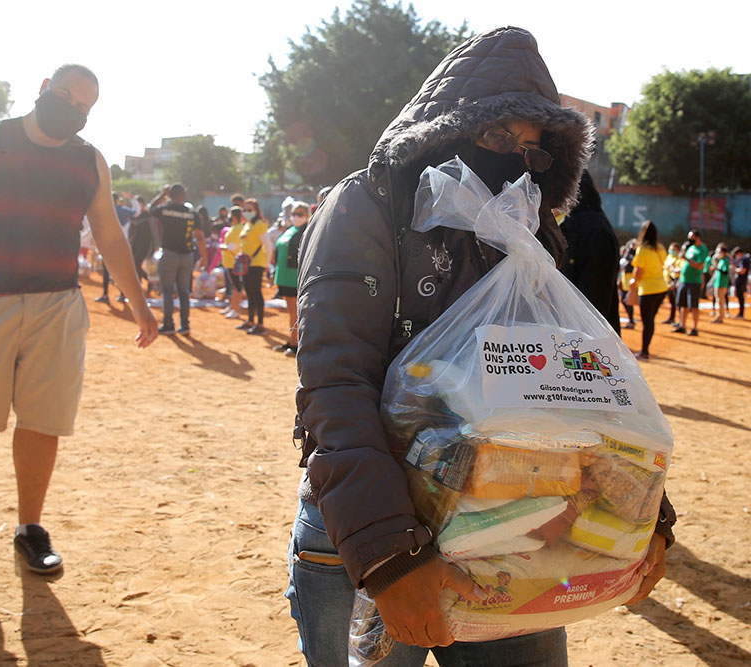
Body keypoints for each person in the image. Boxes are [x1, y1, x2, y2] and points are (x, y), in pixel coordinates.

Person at [289, 27, 675, 666]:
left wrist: (645, 508)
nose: (515, 157)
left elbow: (580, 395)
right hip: (371, 534)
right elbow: (336, 384)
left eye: (533, 147)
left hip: (508, 530)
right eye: (499, 136)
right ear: (447, 126)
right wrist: (388, 557)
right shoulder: (369, 204)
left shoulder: (531, 239)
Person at [0, 63, 158, 575]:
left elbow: (108, 233)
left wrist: (139, 302)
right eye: (68, 97)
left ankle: (30, 527)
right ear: (42, 89)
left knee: (44, 420)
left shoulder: (90, 161)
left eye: (86, 108)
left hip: (57, 306)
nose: (76, 111)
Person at [558, 170, 621, 333]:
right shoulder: (578, 224)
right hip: (577, 340)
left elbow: (593, 300)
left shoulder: (591, 229)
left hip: (583, 343)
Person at [148, 183, 208, 335]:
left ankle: (168, 324)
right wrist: (204, 257)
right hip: (187, 256)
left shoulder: (165, 209)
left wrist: (162, 195)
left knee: (167, 291)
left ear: (170, 195)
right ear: (184, 195)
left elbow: (150, 209)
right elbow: (200, 237)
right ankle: (185, 325)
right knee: (184, 292)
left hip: (169, 255)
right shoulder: (192, 213)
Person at [272, 201, 309, 355]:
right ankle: (292, 339)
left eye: (300, 214)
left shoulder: (307, 230)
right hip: (284, 274)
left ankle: (296, 344)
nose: (296, 217)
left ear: (307, 215)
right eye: (294, 214)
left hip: (295, 276)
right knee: (291, 311)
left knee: (296, 312)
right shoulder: (290, 229)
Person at [630, 220, 669, 360]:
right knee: (650, 321)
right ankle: (645, 350)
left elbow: (638, 271)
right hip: (661, 288)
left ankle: (644, 351)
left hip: (647, 289)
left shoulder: (643, 249)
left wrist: (633, 282)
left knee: (647, 322)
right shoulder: (660, 248)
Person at [237, 198, 269, 335]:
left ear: (256, 210)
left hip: (256, 264)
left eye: (250, 210)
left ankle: (260, 324)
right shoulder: (247, 224)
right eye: (245, 209)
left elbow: (268, 246)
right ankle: (250, 321)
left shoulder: (260, 224)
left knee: (256, 293)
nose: (246, 212)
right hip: (246, 264)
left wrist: (266, 264)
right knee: (249, 292)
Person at [95, 192, 134, 303]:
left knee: (106, 271)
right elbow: (137, 212)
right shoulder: (124, 210)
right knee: (122, 272)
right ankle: (122, 295)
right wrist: (131, 200)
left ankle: (105, 295)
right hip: (122, 246)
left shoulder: (104, 210)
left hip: (108, 245)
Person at [673, 229, 708, 337]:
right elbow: (685, 264)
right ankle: (682, 326)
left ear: (697, 238)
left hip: (694, 281)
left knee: (693, 305)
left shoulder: (702, 249)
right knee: (682, 304)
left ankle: (695, 328)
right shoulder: (690, 248)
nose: (689, 240)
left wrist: (686, 258)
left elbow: (699, 266)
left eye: (691, 237)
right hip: (684, 280)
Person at [219, 206, 245, 319]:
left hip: (234, 261)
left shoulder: (238, 228)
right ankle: (232, 306)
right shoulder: (235, 227)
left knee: (237, 287)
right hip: (229, 262)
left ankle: (236, 309)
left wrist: (221, 246)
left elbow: (233, 247)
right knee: (234, 286)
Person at [708, 242, 730, 323]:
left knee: (720, 301)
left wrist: (717, 268)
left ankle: (720, 317)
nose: (718, 254)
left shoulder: (725, 261)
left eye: (719, 252)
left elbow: (725, 272)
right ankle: (720, 316)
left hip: (722, 284)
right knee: (719, 301)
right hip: (718, 283)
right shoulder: (720, 261)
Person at [662, 242, 682, 325]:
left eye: (673, 249)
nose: (671, 251)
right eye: (670, 249)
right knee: (672, 301)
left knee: (678, 302)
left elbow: (680, 269)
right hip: (668, 282)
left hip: (675, 281)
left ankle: (680, 321)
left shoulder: (679, 258)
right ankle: (672, 318)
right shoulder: (668, 257)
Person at [618, 240, 637, 329]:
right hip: (626, 279)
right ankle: (631, 320)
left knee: (627, 301)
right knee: (624, 300)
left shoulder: (634, 254)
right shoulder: (628, 255)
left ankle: (631, 321)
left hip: (630, 279)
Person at [732, 247, 748, 319]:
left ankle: (741, 313)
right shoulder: (743, 260)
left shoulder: (744, 259)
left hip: (741, 281)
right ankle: (740, 313)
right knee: (740, 297)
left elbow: (742, 271)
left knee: (741, 297)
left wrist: (735, 269)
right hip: (740, 281)